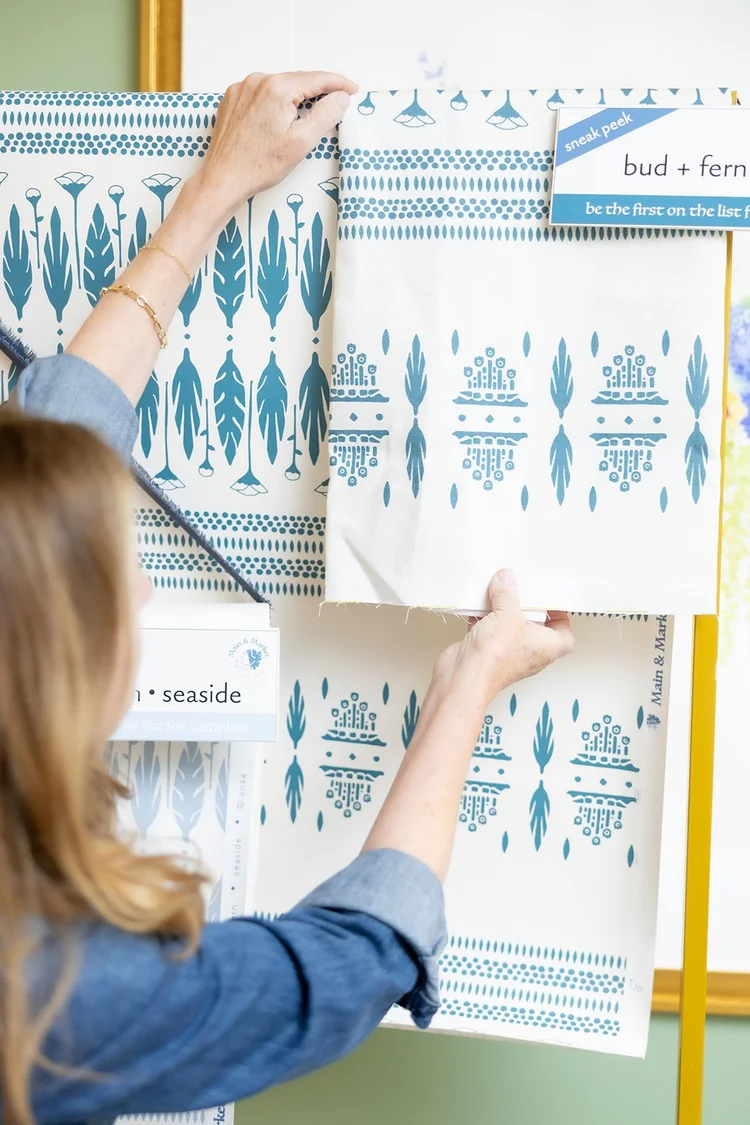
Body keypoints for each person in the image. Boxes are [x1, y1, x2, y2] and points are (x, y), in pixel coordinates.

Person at [0, 71, 574, 1124]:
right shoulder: (58, 992)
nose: (146, 587)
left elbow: (42, 469)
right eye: (124, 582)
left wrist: (213, 192)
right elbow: (350, 963)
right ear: (62, 661)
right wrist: (467, 683)